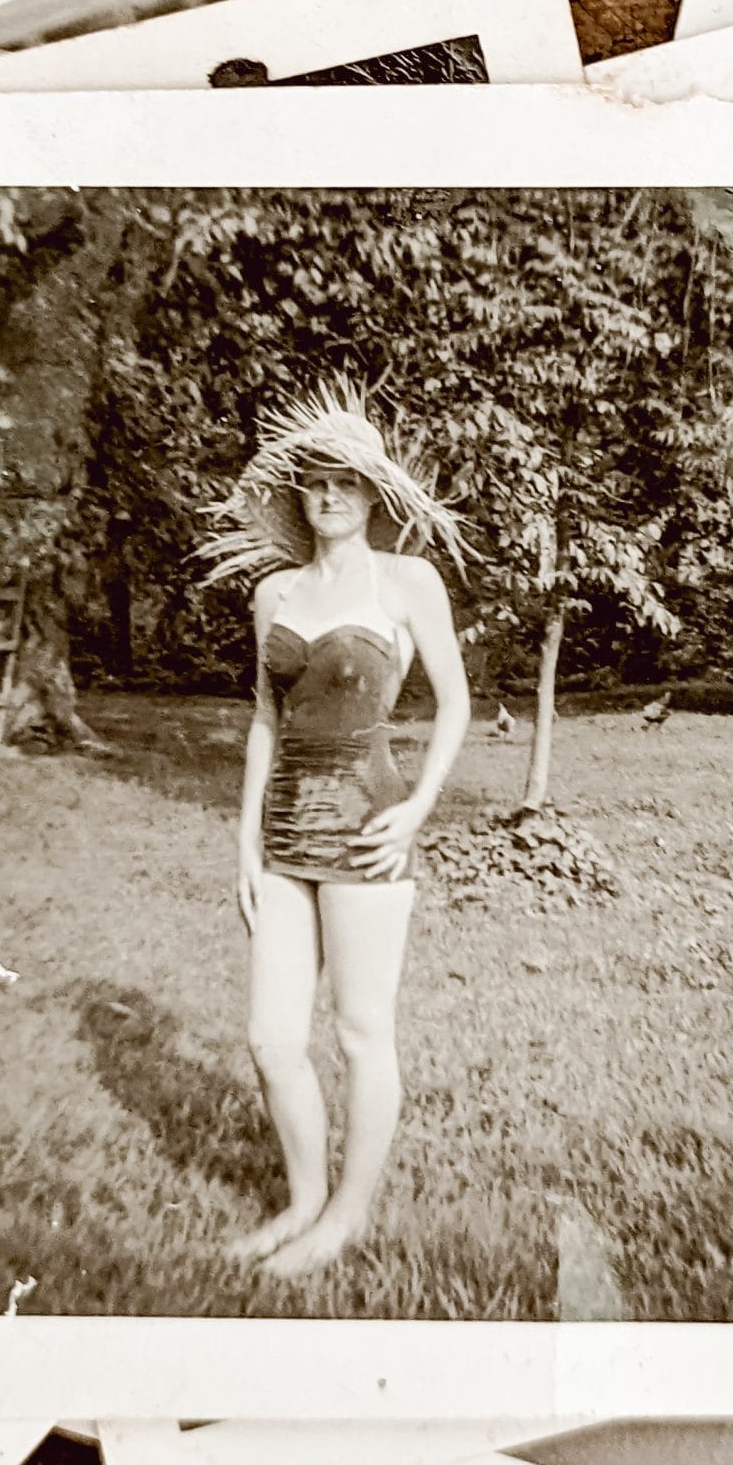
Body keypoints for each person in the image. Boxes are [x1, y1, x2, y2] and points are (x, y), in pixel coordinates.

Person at [201, 382, 471, 1277]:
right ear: (299, 494)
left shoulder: (407, 581)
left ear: (373, 495)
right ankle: (305, 1199)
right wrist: (244, 843)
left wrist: (420, 807)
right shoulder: (274, 593)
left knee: (360, 1031)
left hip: (367, 828)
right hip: (283, 834)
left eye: (347, 482)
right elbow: (265, 722)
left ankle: (347, 1216)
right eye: (316, 481)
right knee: (272, 1039)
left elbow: (457, 703)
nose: (331, 495)